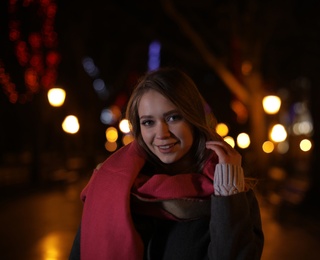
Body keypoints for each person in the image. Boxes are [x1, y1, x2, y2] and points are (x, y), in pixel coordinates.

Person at [69, 67, 264, 260]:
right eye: (148, 122)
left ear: (192, 118)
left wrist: (227, 190)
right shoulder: (110, 185)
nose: (161, 134)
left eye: (172, 118)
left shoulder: (234, 193)